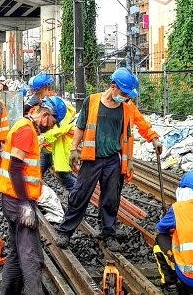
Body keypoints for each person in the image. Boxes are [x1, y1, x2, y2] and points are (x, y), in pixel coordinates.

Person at [56, 67, 162, 251]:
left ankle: (108, 233)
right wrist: (74, 148)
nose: (126, 97)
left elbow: (142, 123)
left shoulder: (127, 106)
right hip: (92, 159)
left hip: (114, 159)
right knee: (79, 195)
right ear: (113, 86)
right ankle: (65, 232)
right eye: (124, 92)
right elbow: (80, 126)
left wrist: (154, 138)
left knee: (111, 199)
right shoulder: (93, 101)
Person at [0, 96, 65, 295]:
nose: (51, 127)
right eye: (52, 123)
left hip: (12, 198)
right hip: (17, 200)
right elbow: (15, 167)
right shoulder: (26, 130)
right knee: (32, 256)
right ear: (44, 115)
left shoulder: (25, 127)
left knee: (17, 254)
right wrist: (25, 203)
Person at [40, 97, 77, 192]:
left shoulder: (65, 116)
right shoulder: (58, 111)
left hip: (59, 151)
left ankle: (78, 196)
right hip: (48, 149)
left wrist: (42, 137)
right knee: (36, 174)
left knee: (64, 176)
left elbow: (60, 130)